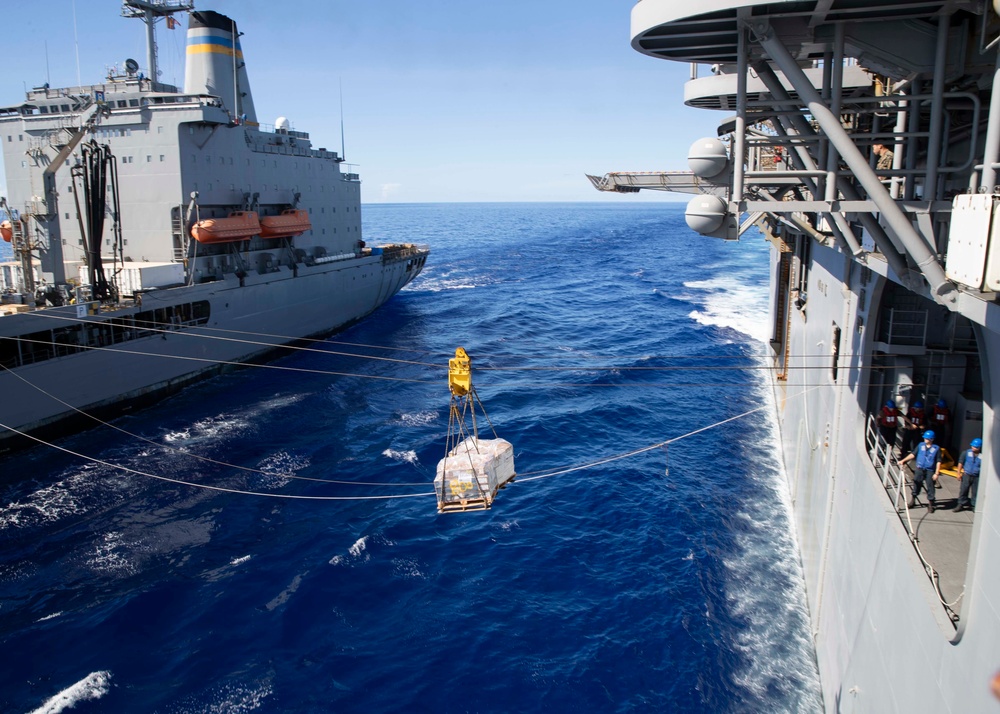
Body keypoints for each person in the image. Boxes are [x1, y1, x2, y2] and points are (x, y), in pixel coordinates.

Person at [898, 430, 942, 513]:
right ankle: (913, 500)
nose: (925, 439)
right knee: (916, 484)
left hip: (930, 470)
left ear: (932, 439)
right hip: (920, 469)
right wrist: (903, 460)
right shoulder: (920, 445)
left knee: (930, 487)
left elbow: (938, 461)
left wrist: (936, 473)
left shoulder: (936, 448)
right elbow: (913, 454)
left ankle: (931, 504)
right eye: (925, 438)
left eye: (927, 438)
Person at [953, 438, 983, 512]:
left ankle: (974, 505)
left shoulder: (982, 456)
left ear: (979, 447)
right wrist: (958, 473)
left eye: (975, 447)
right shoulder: (966, 453)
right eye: (972, 446)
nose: (973, 448)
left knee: (975, 491)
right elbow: (960, 463)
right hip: (966, 475)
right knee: (963, 490)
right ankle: (961, 504)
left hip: (976, 476)